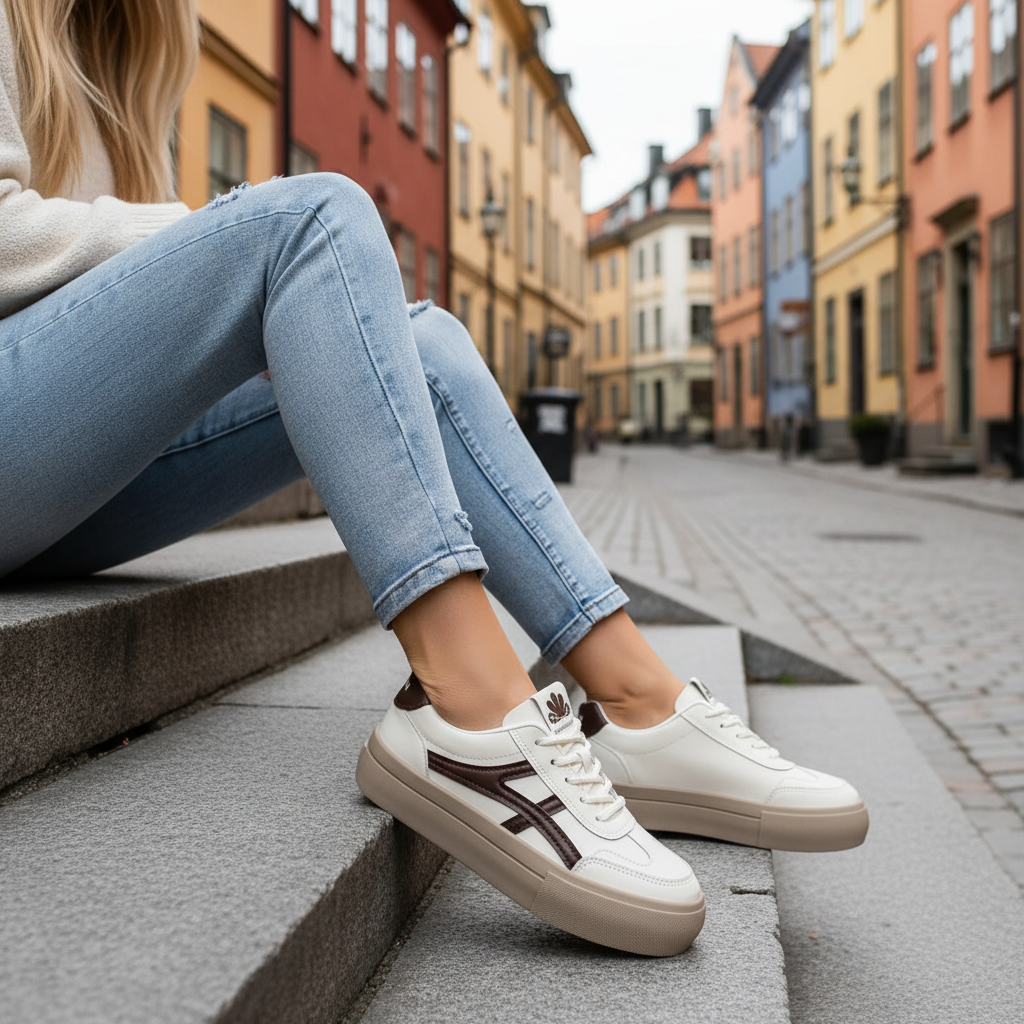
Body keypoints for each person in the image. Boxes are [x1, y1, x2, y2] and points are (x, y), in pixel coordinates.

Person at [0, 0, 867, 958]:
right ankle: (471, 718)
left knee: (425, 343)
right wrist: (219, 235)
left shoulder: (127, 51)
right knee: (312, 217)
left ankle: (641, 707)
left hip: (62, 478)